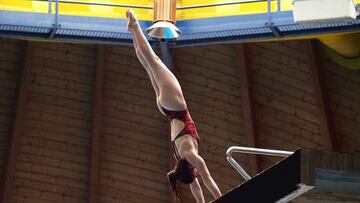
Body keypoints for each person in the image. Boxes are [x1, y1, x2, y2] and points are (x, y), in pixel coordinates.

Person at [126, 9, 222, 203]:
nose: (197, 174)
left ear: (191, 169)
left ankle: (135, 27)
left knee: (153, 61)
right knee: (149, 65)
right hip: (166, 110)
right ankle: (133, 32)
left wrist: (222, 199)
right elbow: (196, 188)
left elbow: (207, 179)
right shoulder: (181, 158)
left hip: (175, 106)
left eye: (195, 173)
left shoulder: (191, 156)